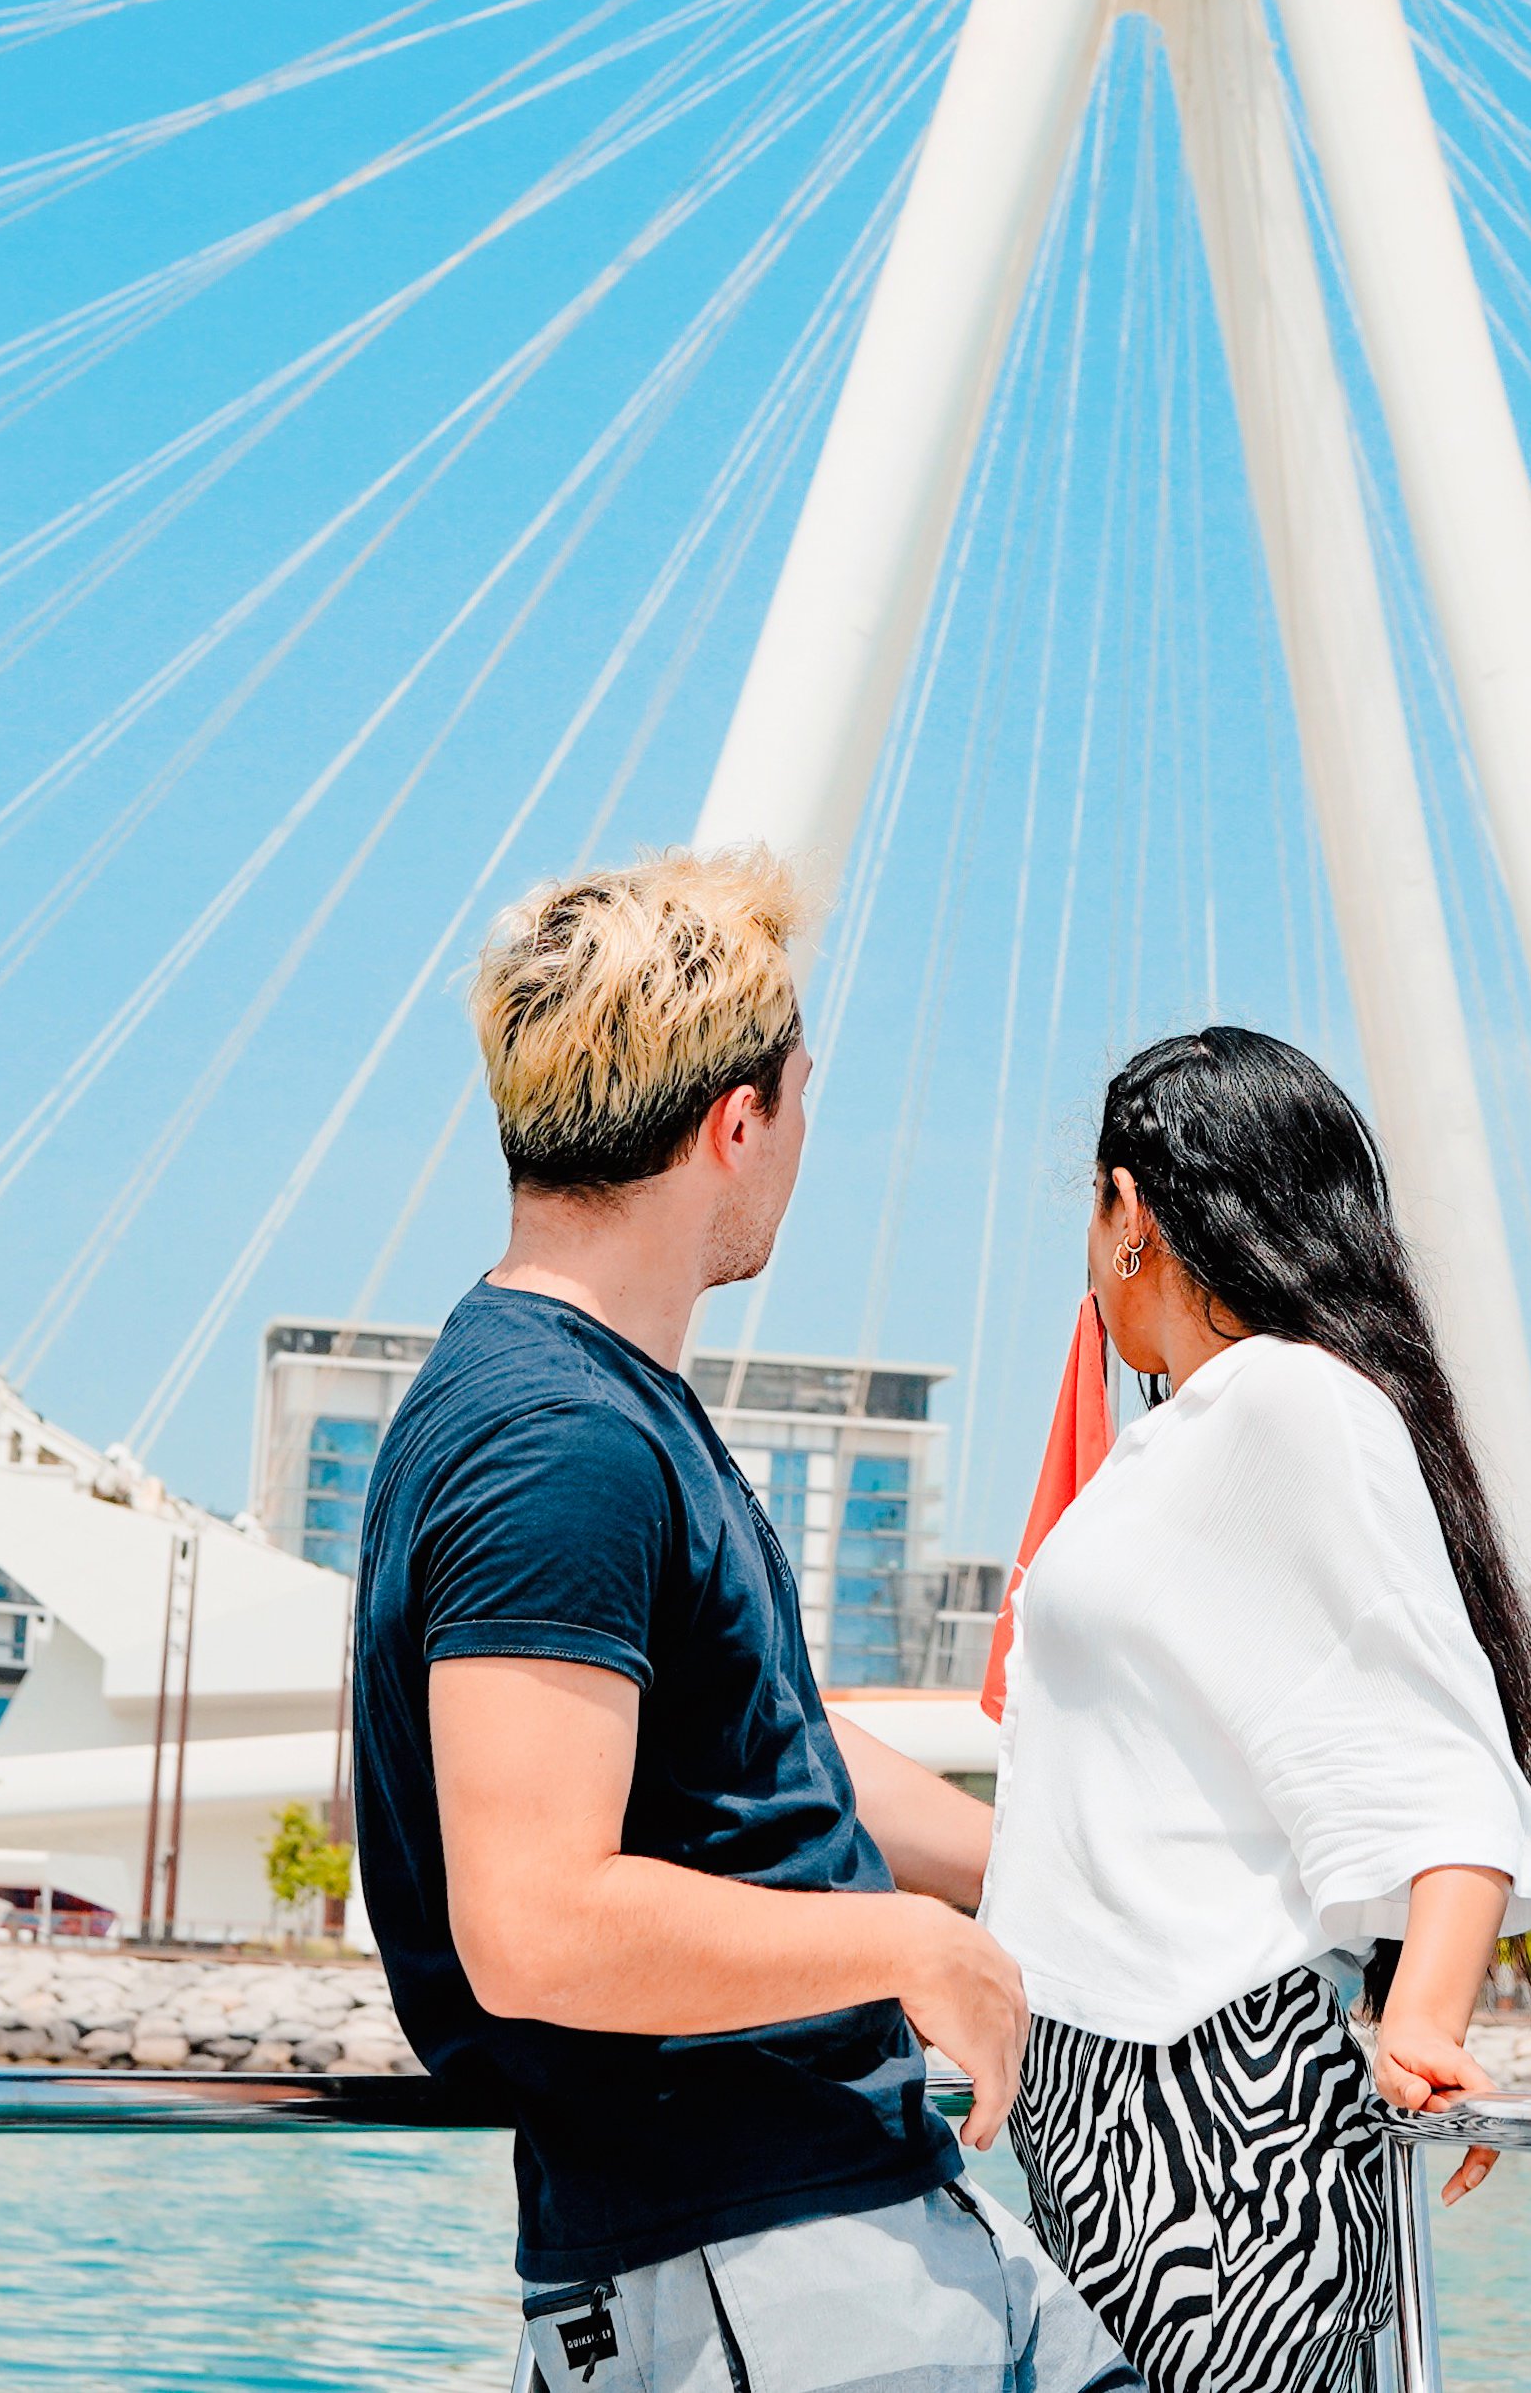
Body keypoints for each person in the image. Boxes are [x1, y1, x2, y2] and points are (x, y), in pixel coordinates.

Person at [351, 843, 1137, 2393]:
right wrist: (911, 1947)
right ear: (739, 1120)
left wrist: (1056, 1882)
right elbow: (532, 1925)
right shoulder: (554, 1443)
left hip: (829, 2233)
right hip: (754, 2271)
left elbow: (764, 1746)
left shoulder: (604, 1412)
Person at [986, 1028, 1531, 2393]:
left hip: (1215, 2109)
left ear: (1131, 1212)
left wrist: (1421, 2013)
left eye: (1091, 1206)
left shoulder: (1294, 1404)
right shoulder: (1185, 1434)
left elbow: (1444, 1751)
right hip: (1107, 2096)